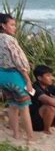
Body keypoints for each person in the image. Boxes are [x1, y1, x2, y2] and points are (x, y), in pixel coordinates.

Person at [0, 13, 34, 142]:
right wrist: (28, 79)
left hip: (2, 76)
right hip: (14, 76)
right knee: (24, 107)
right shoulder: (10, 40)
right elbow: (19, 61)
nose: (15, 28)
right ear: (3, 25)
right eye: (12, 25)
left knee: (12, 105)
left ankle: (16, 135)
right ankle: (30, 137)